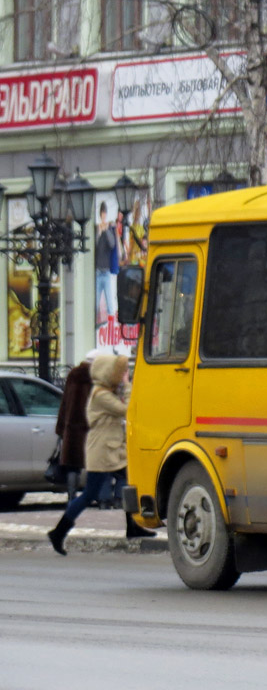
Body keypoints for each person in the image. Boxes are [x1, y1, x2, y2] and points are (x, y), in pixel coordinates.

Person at [47, 354, 155, 555]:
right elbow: (128, 410)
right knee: (89, 494)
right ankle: (59, 531)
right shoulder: (100, 395)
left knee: (131, 482)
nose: (124, 374)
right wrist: (128, 385)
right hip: (102, 451)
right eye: (121, 372)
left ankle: (132, 526)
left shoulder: (105, 391)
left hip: (113, 449)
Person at [53, 350, 98, 500]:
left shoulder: (73, 375)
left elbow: (64, 402)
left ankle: (71, 496)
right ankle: (98, 496)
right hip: (90, 427)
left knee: (73, 464)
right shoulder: (97, 376)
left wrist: (60, 427)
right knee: (97, 464)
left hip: (71, 428)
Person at [94, 202, 117, 324]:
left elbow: (112, 244)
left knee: (110, 303)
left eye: (104, 213)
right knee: (95, 302)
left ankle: (111, 325)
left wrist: (106, 230)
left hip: (106, 271)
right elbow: (95, 246)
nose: (103, 216)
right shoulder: (97, 229)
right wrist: (99, 232)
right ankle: (96, 322)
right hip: (98, 271)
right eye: (102, 213)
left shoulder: (109, 229)